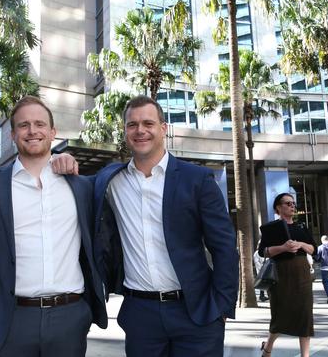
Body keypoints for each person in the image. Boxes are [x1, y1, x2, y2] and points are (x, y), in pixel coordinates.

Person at [65, 95, 238, 356]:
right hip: (140, 315)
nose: (140, 130)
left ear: (163, 128)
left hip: (196, 312)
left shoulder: (197, 179)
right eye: (132, 125)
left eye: (148, 123)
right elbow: (76, 186)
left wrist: (221, 308)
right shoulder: (109, 181)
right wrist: (62, 159)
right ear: (125, 131)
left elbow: (224, 247)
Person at [0, 96, 107, 357]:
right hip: (9, 320)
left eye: (39, 124)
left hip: (69, 318)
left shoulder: (82, 186)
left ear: (52, 132)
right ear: (13, 134)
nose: (32, 131)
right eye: (24, 125)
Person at [258, 193, 316, 357]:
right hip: (280, 276)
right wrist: (283, 248)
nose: (292, 206)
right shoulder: (271, 228)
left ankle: (305, 355)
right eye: (288, 203)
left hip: (302, 274)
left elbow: (314, 249)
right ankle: (268, 347)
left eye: (293, 203)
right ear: (278, 207)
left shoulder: (302, 228)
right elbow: (263, 252)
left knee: (305, 314)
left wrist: (301, 244)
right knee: (280, 314)